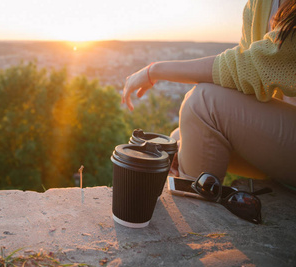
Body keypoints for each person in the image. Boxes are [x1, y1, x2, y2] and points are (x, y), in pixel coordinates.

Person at [122, 0, 296, 188]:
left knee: (203, 104)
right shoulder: (258, 4)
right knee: (181, 136)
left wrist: (154, 71)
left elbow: (247, 67)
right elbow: (242, 81)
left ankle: (192, 211)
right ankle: (192, 205)